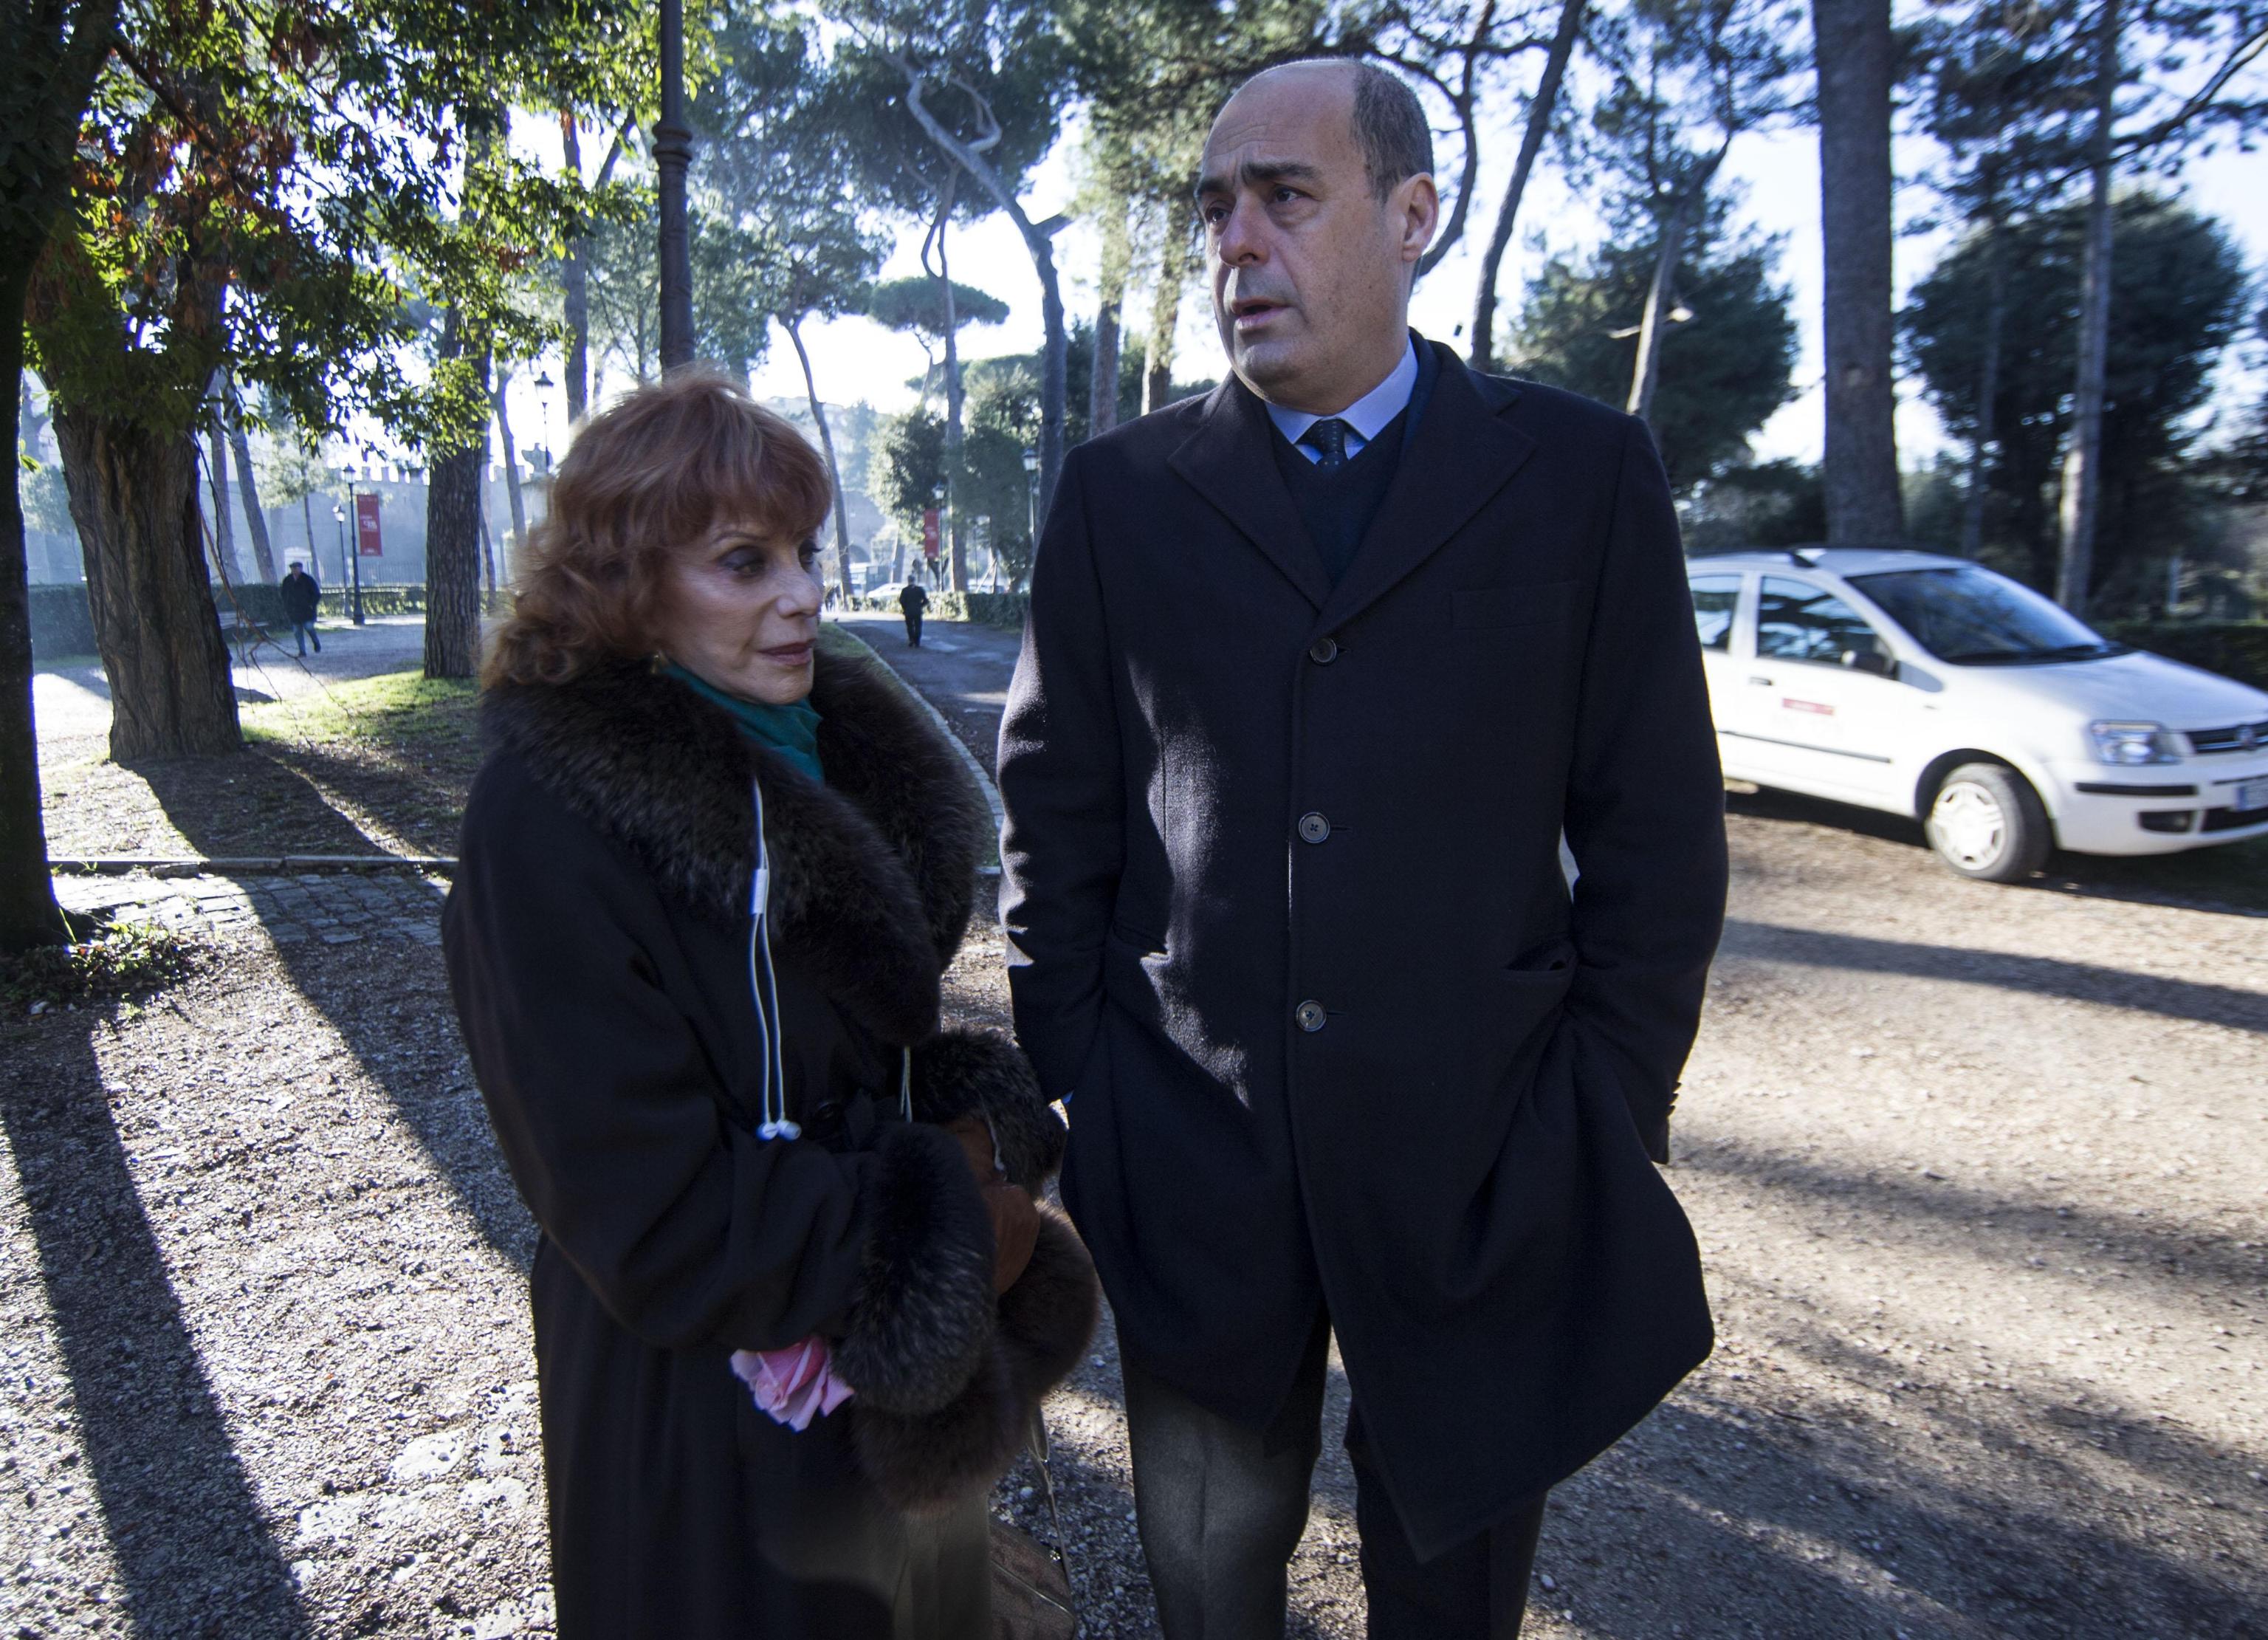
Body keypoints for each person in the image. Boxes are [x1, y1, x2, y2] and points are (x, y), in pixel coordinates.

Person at [997, 58, 1727, 1640]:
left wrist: (1601, 1111)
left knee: (1453, 1595)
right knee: (1206, 1584)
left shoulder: (1582, 480)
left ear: (1413, 216)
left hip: (1484, 1165)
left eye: (1284, 196)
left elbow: (1658, 837)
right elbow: (1053, 814)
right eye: (1213, 208)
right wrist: (1090, 1087)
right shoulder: (1118, 499)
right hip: (1190, 1158)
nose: (1234, 243)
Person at [444, 371, 1097, 1639]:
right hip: (701, 1442)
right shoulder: (545, 828)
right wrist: (941, 1214)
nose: (802, 591)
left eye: (800, 551)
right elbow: (650, 1215)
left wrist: (972, 1112)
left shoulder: (812, 755)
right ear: (627, 589)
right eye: (743, 563)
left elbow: (849, 1061)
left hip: (893, 1406)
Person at [278, 560, 321, 655]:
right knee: (297, 632)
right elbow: (284, 594)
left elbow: (316, 594)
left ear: (301, 568)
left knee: (309, 627)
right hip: (294, 610)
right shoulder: (288, 580)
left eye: (296, 568)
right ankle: (302, 651)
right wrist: (287, 605)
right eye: (293, 568)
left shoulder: (308, 579)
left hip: (307, 610)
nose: (294, 570)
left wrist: (311, 605)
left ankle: (315, 641)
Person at [898, 575, 929, 648]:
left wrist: (905, 608)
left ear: (908, 581)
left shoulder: (905, 590)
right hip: (918, 611)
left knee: (910, 626)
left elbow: (901, 601)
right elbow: (926, 600)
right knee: (918, 626)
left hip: (908, 611)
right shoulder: (920, 589)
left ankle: (911, 639)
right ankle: (917, 641)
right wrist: (920, 606)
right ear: (914, 581)